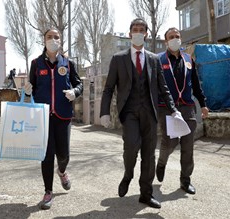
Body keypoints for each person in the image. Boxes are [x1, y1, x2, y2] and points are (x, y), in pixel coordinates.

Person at [100, 18, 180, 209]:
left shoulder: (153, 59)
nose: (138, 33)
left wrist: (173, 110)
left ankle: (146, 193)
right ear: (129, 34)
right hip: (129, 113)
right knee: (131, 148)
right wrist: (104, 112)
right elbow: (109, 87)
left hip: (150, 113)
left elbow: (163, 88)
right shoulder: (119, 58)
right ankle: (128, 174)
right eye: (134, 30)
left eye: (141, 30)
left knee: (149, 154)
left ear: (146, 34)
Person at [24, 28, 83, 210]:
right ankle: (48, 192)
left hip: (63, 115)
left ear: (60, 40)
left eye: (56, 37)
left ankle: (62, 171)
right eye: (49, 37)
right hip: (42, 117)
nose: (53, 40)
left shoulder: (69, 63)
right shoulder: (36, 63)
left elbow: (79, 83)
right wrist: (27, 92)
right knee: (47, 155)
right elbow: (31, 88)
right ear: (44, 40)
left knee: (63, 154)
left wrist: (75, 92)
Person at [156, 27, 209, 195]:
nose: (175, 39)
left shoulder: (188, 59)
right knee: (170, 142)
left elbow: (196, 84)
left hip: (187, 107)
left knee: (187, 145)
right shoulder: (158, 60)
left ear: (181, 39)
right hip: (166, 108)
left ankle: (185, 181)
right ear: (166, 41)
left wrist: (203, 104)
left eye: (177, 36)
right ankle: (162, 162)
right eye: (171, 37)